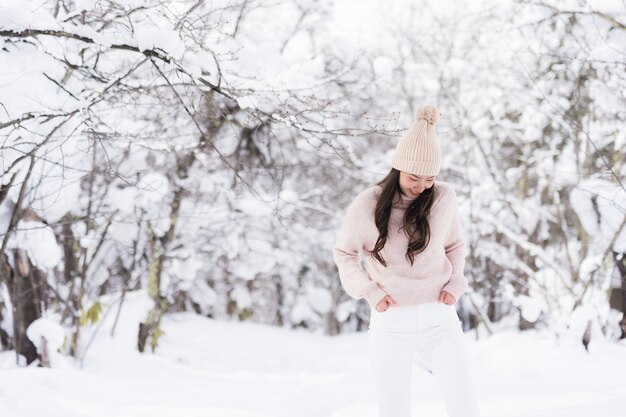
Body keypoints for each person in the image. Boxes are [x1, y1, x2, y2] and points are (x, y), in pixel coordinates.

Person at [333, 105, 480, 417]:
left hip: (440, 319)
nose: (421, 186)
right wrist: (370, 291)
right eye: (414, 177)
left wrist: (456, 282)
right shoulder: (368, 205)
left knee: (464, 406)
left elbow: (454, 244)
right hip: (391, 322)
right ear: (398, 167)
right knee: (394, 410)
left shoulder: (443, 198)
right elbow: (344, 253)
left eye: (429, 178)